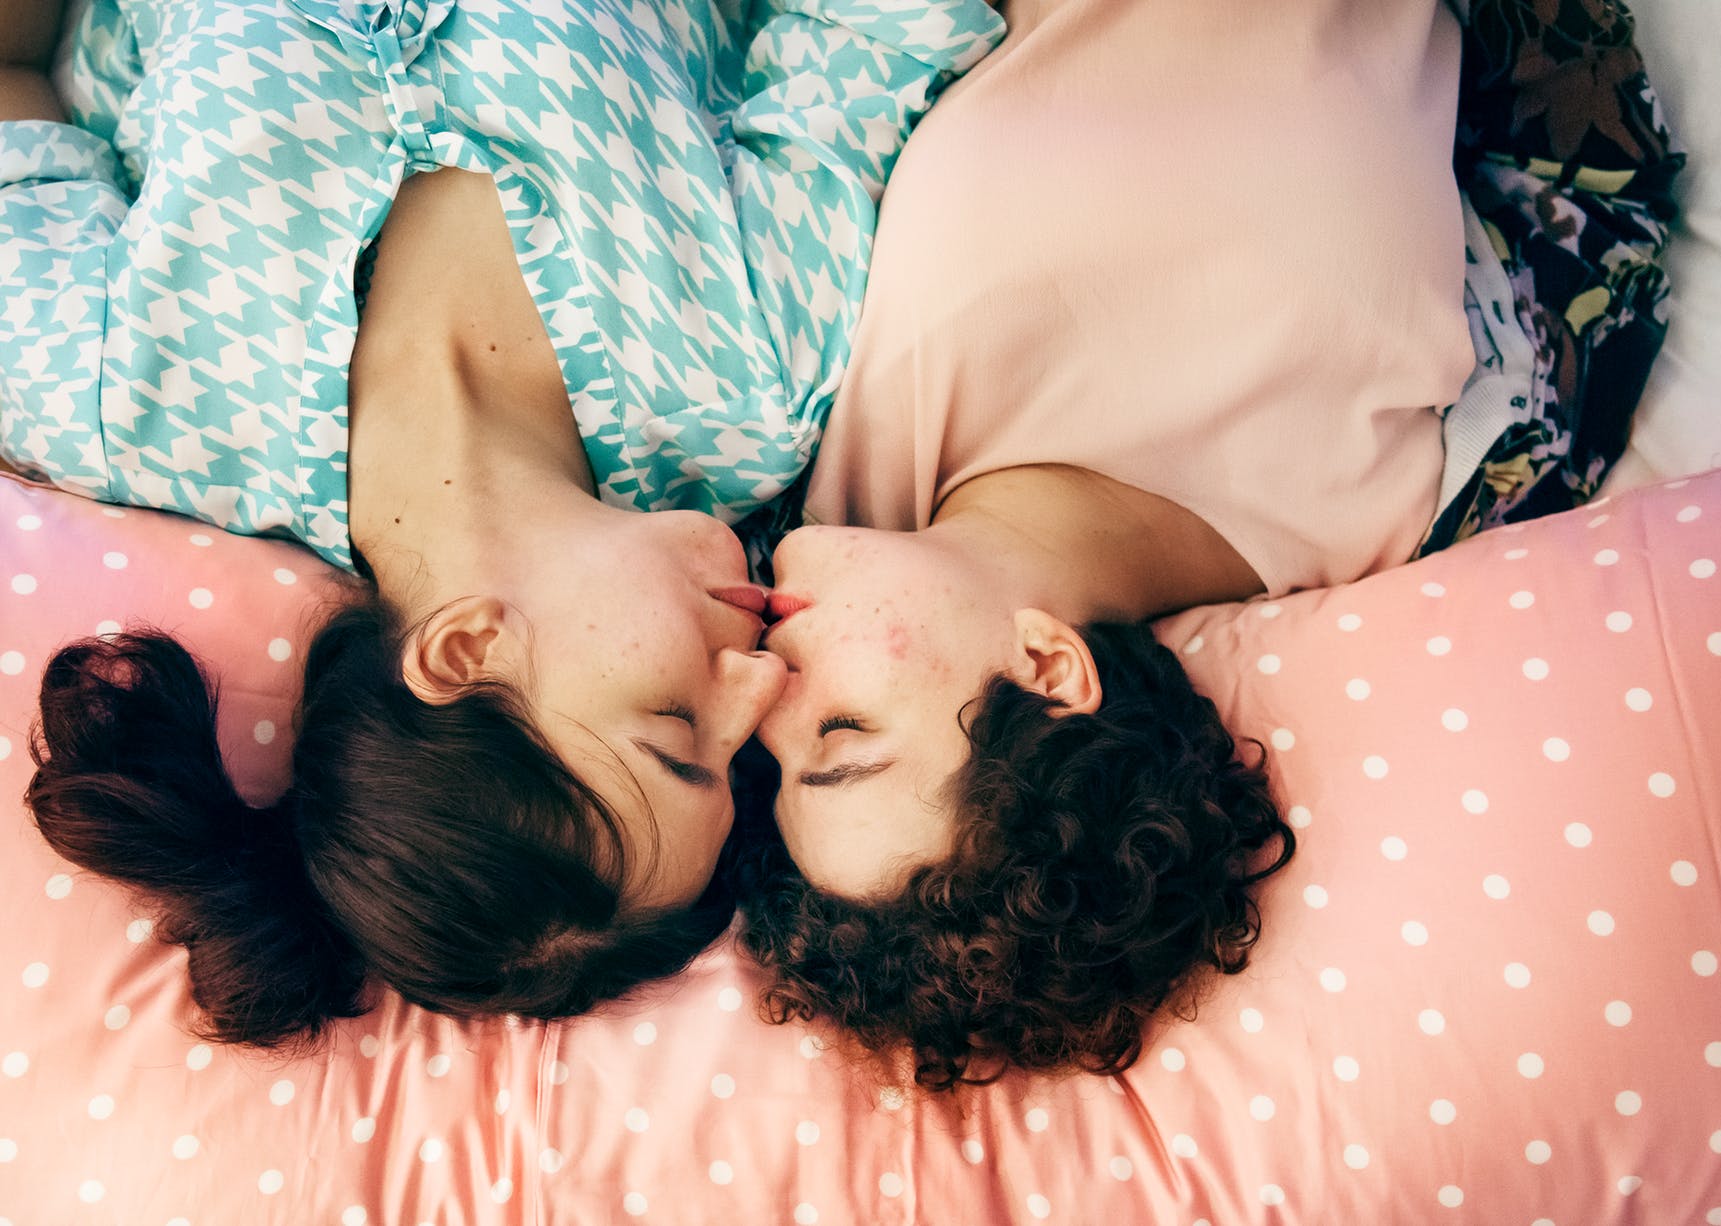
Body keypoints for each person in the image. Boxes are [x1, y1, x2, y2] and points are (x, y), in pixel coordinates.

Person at [0, 0, 1003, 1046]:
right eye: (737, 749)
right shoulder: (749, 393)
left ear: (464, 650)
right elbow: (874, 32)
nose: (760, 682)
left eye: (674, 730)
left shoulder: (122, 406)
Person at [736, 0, 1683, 1089]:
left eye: (778, 761)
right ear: (1046, 668)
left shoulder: (798, 499)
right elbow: (1598, 186)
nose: (765, 695)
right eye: (842, 730)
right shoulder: (1435, 485)